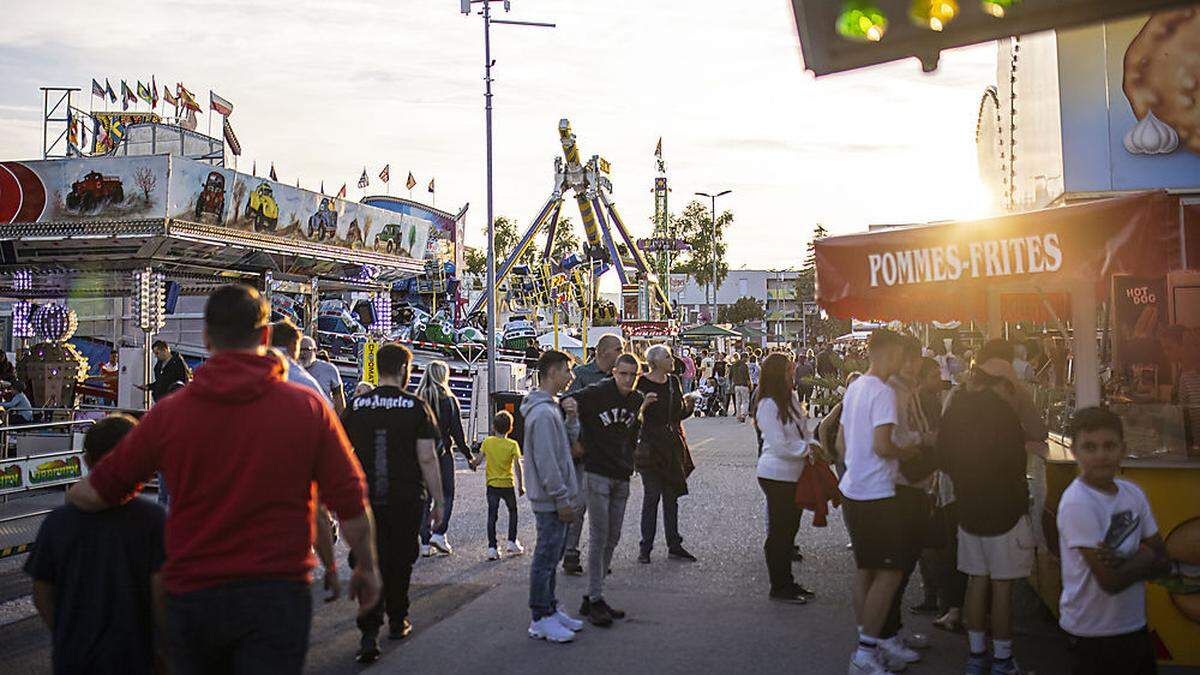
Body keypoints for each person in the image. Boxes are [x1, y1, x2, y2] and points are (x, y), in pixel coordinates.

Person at [66, 284, 381, 675]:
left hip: (194, 595)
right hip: (277, 594)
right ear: (265, 337)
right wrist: (366, 567)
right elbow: (349, 499)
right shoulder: (307, 408)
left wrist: (69, 510)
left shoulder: (172, 413)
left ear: (207, 337)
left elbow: (98, 491)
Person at [937, 339, 1047, 675]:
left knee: (976, 582)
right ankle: (1002, 660)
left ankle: (975, 657)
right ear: (1003, 376)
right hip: (1006, 510)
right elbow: (1035, 437)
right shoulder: (1008, 404)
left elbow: (944, 451)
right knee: (1002, 588)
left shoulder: (957, 400)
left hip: (968, 506)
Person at [25, 414, 165, 675]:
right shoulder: (153, 521)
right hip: (135, 657)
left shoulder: (57, 523)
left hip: (74, 658)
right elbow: (161, 596)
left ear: (87, 460)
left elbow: (42, 591)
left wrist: (65, 633)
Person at [340, 343, 444, 663]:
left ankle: (369, 631)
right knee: (400, 561)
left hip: (364, 499)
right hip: (405, 498)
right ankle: (398, 620)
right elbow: (427, 457)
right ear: (404, 370)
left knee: (367, 562)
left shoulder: (357, 407)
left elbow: (342, 455)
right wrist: (439, 501)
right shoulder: (415, 407)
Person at [1057, 407, 1169, 675]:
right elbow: (1110, 581)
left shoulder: (1133, 494)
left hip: (1133, 627)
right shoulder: (1077, 503)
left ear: (1122, 448)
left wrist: (1133, 560)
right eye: (1090, 447)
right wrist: (1145, 555)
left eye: (1109, 445)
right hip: (1092, 635)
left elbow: (1164, 560)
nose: (1100, 455)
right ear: (1074, 452)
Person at [839, 329, 920, 675]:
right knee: (889, 572)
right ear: (888, 353)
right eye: (901, 354)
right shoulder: (883, 392)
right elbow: (883, 445)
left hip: (853, 489)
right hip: (877, 493)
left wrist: (853, 467)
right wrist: (909, 451)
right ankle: (866, 652)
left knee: (866, 570)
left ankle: (868, 640)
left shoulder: (855, 387)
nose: (903, 361)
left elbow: (841, 440)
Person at [567, 352, 650, 627]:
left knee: (613, 537)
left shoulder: (636, 399)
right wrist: (574, 442)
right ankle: (595, 598)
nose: (628, 379)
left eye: (633, 375)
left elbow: (629, 432)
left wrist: (632, 455)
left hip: (621, 474)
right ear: (613, 372)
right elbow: (565, 403)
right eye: (623, 373)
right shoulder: (598, 392)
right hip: (597, 472)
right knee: (599, 536)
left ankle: (593, 595)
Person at [521, 350, 586, 643]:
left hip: (555, 498)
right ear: (552, 373)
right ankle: (540, 616)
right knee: (546, 557)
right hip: (551, 500)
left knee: (552, 555)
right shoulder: (544, 413)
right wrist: (562, 498)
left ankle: (549, 608)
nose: (570, 377)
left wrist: (571, 417)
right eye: (566, 371)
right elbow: (547, 462)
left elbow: (568, 445)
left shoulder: (551, 408)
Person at [754, 352, 821, 604]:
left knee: (790, 529)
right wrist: (807, 450)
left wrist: (812, 444)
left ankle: (788, 582)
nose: (793, 374)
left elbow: (804, 431)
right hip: (775, 474)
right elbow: (779, 444)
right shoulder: (767, 405)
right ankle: (779, 585)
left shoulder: (791, 399)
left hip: (796, 473)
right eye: (789, 370)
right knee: (780, 532)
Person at [562, 334, 625, 576]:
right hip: (583, 451)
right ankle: (570, 553)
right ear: (603, 351)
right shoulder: (582, 375)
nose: (621, 352)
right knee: (578, 506)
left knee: (605, 510)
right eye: (618, 348)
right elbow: (568, 407)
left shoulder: (619, 378)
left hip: (609, 453)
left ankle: (600, 557)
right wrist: (574, 441)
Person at [635, 344, 697, 563]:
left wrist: (688, 404)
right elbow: (633, 416)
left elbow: (677, 414)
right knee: (652, 496)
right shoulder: (641, 383)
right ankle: (646, 548)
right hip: (649, 447)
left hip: (671, 445)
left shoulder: (673, 382)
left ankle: (674, 544)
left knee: (671, 497)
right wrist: (642, 405)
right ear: (655, 362)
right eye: (668, 357)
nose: (672, 360)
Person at [416, 360, 475, 557]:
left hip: (420, 454)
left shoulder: (418, 399)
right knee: (447, 494)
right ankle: (439, 534)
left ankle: (424, 542)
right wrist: (468, 455)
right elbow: (457, 432)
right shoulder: (449, 400)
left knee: (424, 498)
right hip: (443, 454)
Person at [479, 410, 524, 561]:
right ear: (510, 428)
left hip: (492, 485)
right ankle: (511, 541)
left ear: (493, 427)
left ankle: (492, 547)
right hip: (507, 485)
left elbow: (479, 459)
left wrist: (472, 463)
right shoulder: (513, 445)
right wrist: (521, 485)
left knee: (492, 516)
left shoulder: (487, 442)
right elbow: (518, 466)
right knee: (513, 511)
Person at [270, 319, 325, 397]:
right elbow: (325, 407)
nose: (301, 352)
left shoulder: (252, 369)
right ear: (294, 345)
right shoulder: (305, 382)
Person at [300, 335, 346, 415]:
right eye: (299, 349)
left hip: (322, 418)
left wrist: (340, 422)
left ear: (315, 350)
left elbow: (339, 399)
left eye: (306, 350)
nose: (302, 353)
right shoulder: (289, 368)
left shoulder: (329, 369)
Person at [730, 352, 752, 423]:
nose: (747, 359)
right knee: (745, 401)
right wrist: (750, 385)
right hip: (744, 385)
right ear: (744, 358)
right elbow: (747, 377)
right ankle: (743, 415)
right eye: (747, 358)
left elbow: (730, 376)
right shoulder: (744, 366)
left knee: (738, 402)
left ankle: (738, 415)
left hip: (736, 385)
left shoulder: (733, 365)